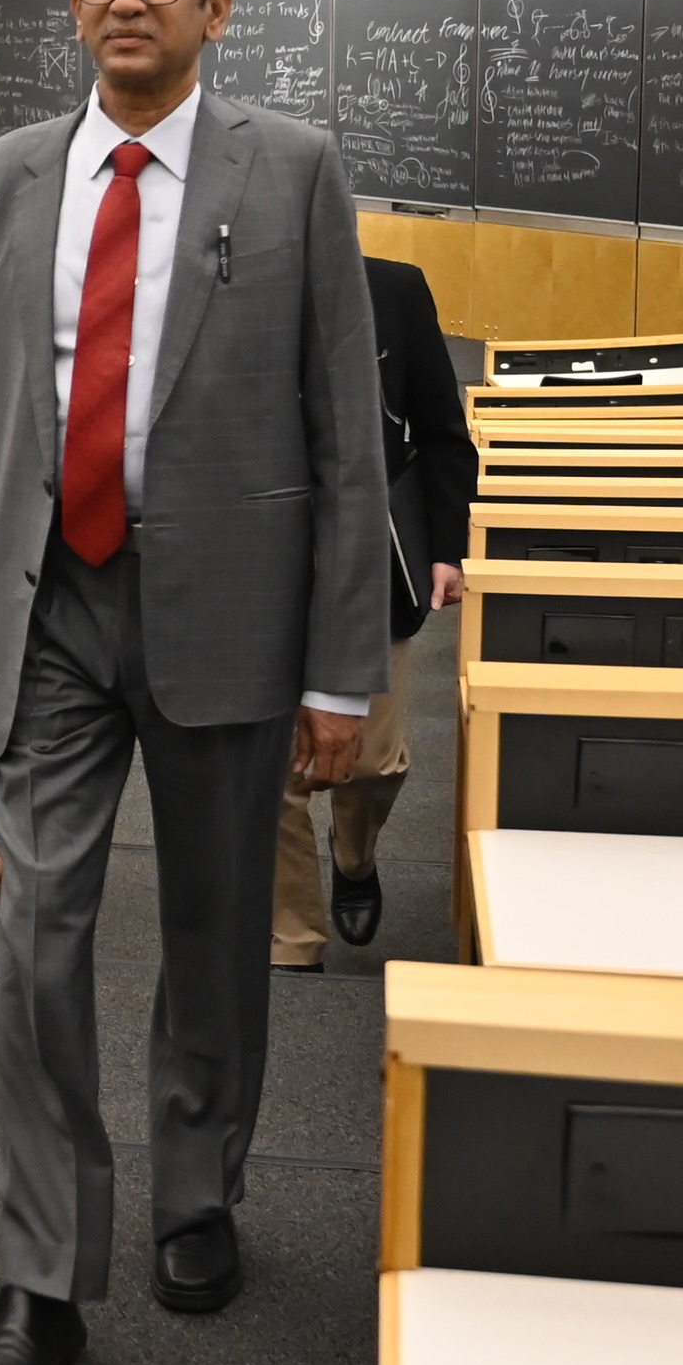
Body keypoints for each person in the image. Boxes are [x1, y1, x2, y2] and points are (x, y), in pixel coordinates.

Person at [0, 0, 389, 1365]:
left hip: (229, 622)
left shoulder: (296, 173)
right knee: (33, 934)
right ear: (74, 5)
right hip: (48, 610)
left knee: (210, 935)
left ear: (214, 8)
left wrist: (341, 670)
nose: (128, 1)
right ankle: (43, 1272)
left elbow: (340, 437)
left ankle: (198, 1192)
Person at [272, 256, 480, 964]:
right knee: (273, 770)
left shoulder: (392, 288)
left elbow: (444, 432)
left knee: (374, 763)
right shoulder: (221, 277)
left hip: (372, 556)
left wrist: (446, 548)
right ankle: (293, 934)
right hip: (260, 554)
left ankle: (353, 856)